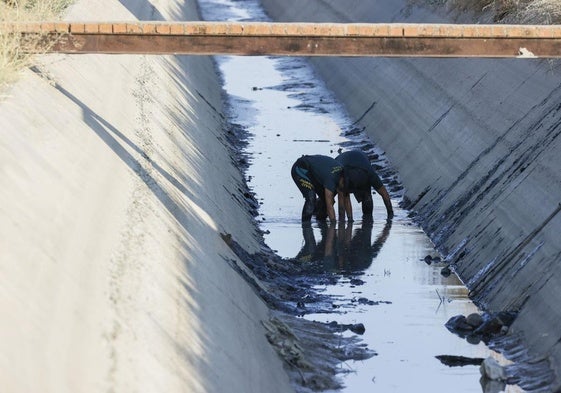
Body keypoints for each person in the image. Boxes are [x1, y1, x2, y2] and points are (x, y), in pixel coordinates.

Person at [336, 150, 394, 221]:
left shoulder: (370, 173)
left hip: (362, 159)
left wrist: (390, 215)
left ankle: (368, 218)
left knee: (367, 199)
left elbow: (384, 194)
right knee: (341, 193)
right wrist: (345, 221)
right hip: (341, 163)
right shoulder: (340, 176)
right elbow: (342, 205)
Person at [291, 154, 344, 222]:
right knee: (311, 198)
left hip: (314, 173)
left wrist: (344, 221)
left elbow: (334, 203)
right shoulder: (331, 179)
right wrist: (333, 224)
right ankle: (306, 226)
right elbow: (329, 205)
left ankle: (321, 221)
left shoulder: (342, 172)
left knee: (326, 200)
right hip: (300, 169)